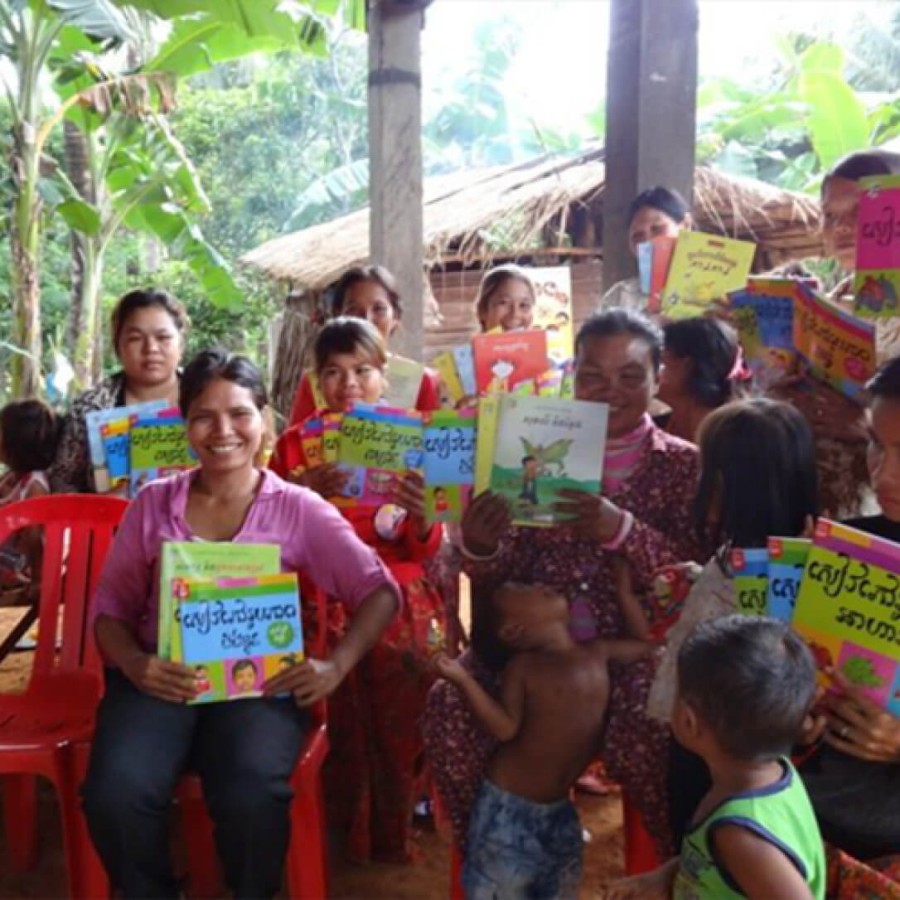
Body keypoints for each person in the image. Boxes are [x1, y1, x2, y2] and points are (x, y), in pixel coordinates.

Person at [82, 349, 399, 900]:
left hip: (259, 688)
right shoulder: (153, 506)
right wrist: (136, 664)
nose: (222, 431)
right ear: (184, 425)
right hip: (160, 681)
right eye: (204, 416)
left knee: (252, 790)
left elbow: (378, 591)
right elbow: (108, 612)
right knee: (115, 791)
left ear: (265, 422)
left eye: (239, 414)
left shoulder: (299, 508)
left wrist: (336, 665)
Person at [423, 308, 707, 858]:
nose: (611, 391)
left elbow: (698, 579)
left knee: (656, 726)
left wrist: (621, 529)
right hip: (532, 654)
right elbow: (498, 574)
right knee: (447, 707)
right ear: (572, 375)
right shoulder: (526, 450)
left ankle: (673, 868)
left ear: (659, 377)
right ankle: (487, 858)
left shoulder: (685, 467)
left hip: (628, 654)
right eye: (594, 375)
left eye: (630, 376)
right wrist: (481, 544)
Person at [271, 317, 446, 863]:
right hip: (321, 588)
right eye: (333, 372)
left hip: (395, 580)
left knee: (409, 658)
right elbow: (272, 542)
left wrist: (422, 516)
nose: (349, 384)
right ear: (316, 381)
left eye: (362, 371)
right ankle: (337, 826)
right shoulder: (295, 446)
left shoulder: (415, 439)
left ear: (383, 374)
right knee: (314, 671)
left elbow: (426, 548)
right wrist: (299, 496)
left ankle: (397, 818)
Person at [644, 398, 820, 846]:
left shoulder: (769, 574)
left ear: (721, 487)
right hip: (722, 746)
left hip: (713, 752)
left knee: (704, 850)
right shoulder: (787, 562)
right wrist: (699, 579)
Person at [436, 579, 651, 899]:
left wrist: (623, 591)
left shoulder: (598, 651)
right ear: (513, 631)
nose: (537, 584)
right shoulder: (524, 667)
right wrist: (463, 680)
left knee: (559, 890)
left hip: (559, 810)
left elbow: (647, 645)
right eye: (521, 589)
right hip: (507, 811)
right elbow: (506, 728)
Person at [607, 616, 825, 900]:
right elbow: (718, 864)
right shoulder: (771, 773)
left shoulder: (740, 835)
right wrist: (667, 875)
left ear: (688, 721)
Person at [797, 356, 900, 870]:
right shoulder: (857, 548)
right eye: (877, 445)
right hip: (812, 825)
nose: (885, 472)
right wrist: (799, 711)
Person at [768, 149, 900, 520]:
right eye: (830, 216)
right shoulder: (832, 300)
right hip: (821, 499)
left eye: (858, 213)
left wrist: (867, 428)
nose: (841, 228)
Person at [49, 288, 187, 493]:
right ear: (117, 346)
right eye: (135, 338)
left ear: (181, 344)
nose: (151, 348)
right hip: (111, 522)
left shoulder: (207, 396)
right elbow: (63, 484)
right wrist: (102, 506)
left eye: (163, 337)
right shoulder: (91, 407)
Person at [287, 265, 441, 426]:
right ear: (338, 315)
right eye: (353, 310)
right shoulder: (312, 383)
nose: (366, 319)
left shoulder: (418, 381)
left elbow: (436, 442)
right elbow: (293, 442)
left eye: (379, 309)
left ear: (395, 317)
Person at [597, 187, 692, 315]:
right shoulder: (620, 297)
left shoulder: (714, 290)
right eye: (638, 236)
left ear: (685, 226)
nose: (648, 242)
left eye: (658, 229)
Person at [657, 317, 751, 443]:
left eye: (658, 360)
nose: (646, 369)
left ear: (687, 367)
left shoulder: (733, 439)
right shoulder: (659, 425)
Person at [0, 399, 58, 597]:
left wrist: (38, 580)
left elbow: (35, 537)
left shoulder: (34, 484)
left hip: (10, 568)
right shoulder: (9, 477)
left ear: (16, 441)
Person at [474, 264, 537, 333]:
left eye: (523, 305)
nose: (515, 314)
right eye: (504, 302)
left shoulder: (546, 343)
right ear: (482, 310)